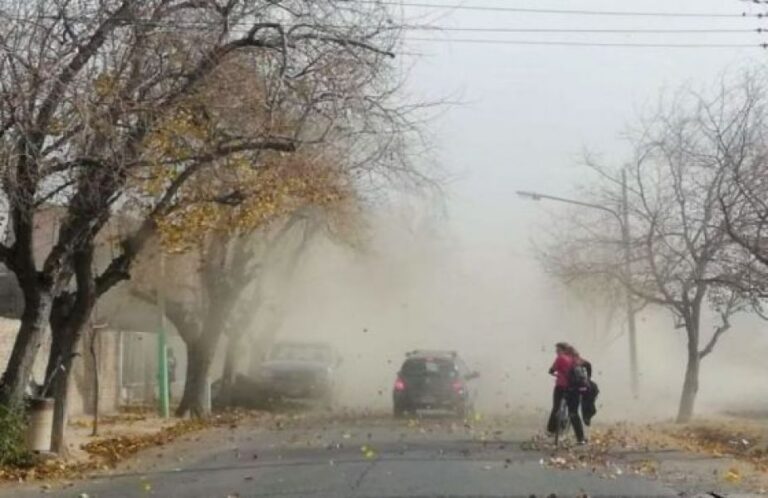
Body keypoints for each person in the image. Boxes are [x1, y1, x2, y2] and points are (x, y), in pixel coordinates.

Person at [546, 342, 587, 444]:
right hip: (575, 389)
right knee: (573, 413)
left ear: (563, 350)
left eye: (558, 350)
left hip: (561, 387)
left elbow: (552, 370)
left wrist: (552, 372)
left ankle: (551, 430)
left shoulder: (560, 358)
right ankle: (580, 438)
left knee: (556, 408)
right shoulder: (577, 359)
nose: (556, 352)